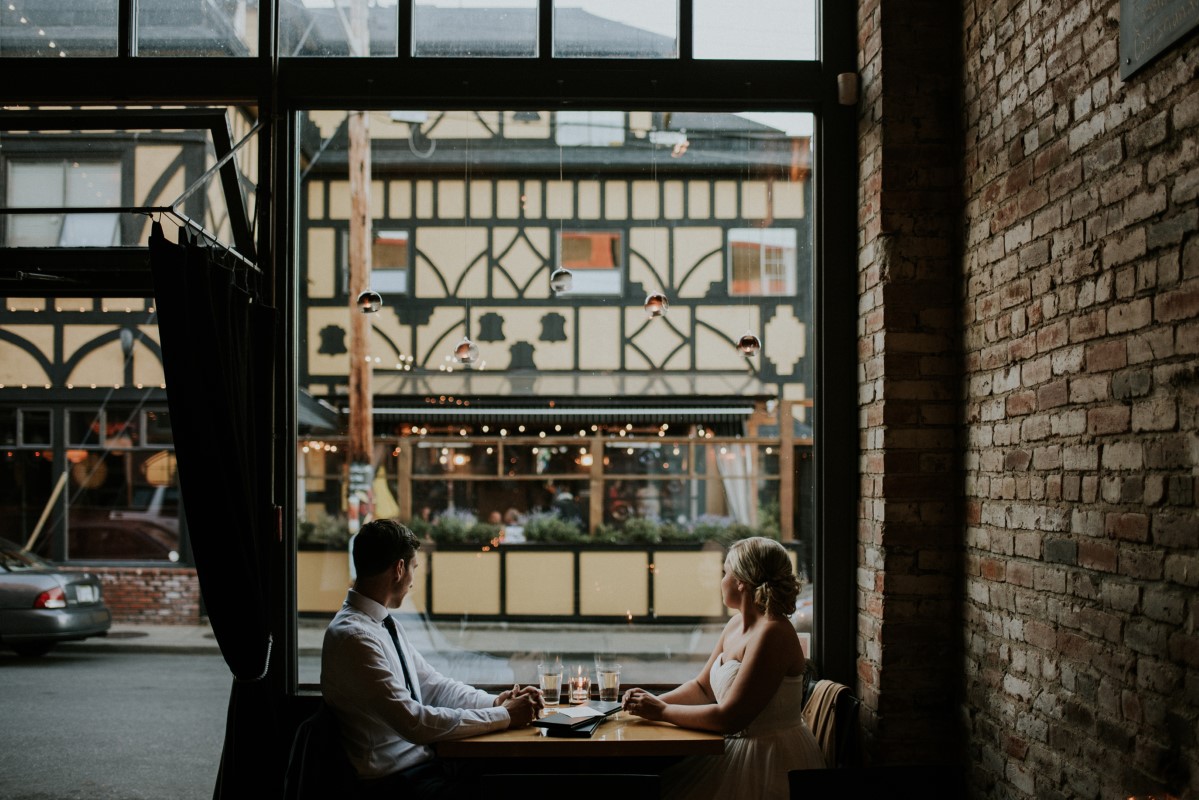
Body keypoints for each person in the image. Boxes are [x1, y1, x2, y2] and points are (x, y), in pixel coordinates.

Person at [322, 519, 543, 798]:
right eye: (414, 568)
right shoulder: (354, 638)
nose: (413, 581)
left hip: (422, 768)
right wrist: (504, 715)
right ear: (399, 569)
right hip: (394, 784)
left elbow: (434, 686)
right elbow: (415, 722)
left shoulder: (382, 624)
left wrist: (495, 701)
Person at [621, 536, 824, 799]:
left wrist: (661, 711)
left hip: (767, 758)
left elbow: (731, 718)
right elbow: (702, 688)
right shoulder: (735, 625)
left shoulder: (773, 633)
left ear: (741, 581)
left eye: (725, 572)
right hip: (737, 748)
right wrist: (645, 705)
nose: (721, 579)